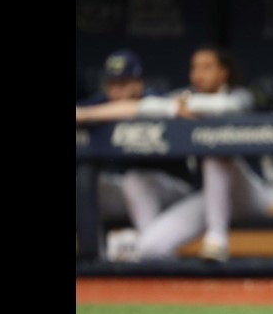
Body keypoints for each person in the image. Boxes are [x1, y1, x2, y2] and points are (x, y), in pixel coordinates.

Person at [76, 44, 273, 263]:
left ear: (223, 72)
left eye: (207, 67)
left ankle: (217, 240)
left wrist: (176, 106)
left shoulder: (242, 95)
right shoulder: (182, 97)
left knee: (215, 150)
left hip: (251, 194)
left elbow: (223, 106)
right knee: (151, 248)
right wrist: (169, 107)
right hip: (211, 196)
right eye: (194, 67)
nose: (199, 74)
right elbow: (140, 106)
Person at [76, 50, 197, 261]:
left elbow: (134, 108)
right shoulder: (101, 102)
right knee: (87, 186)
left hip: (176, 192)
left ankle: (154, 253)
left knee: (135, 180)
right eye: (111, 83)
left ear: (138, 83)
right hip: (132, 194)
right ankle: (96, 259)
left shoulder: (154, 98)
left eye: (123, 83)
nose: (116, 90)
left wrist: (87, 115)